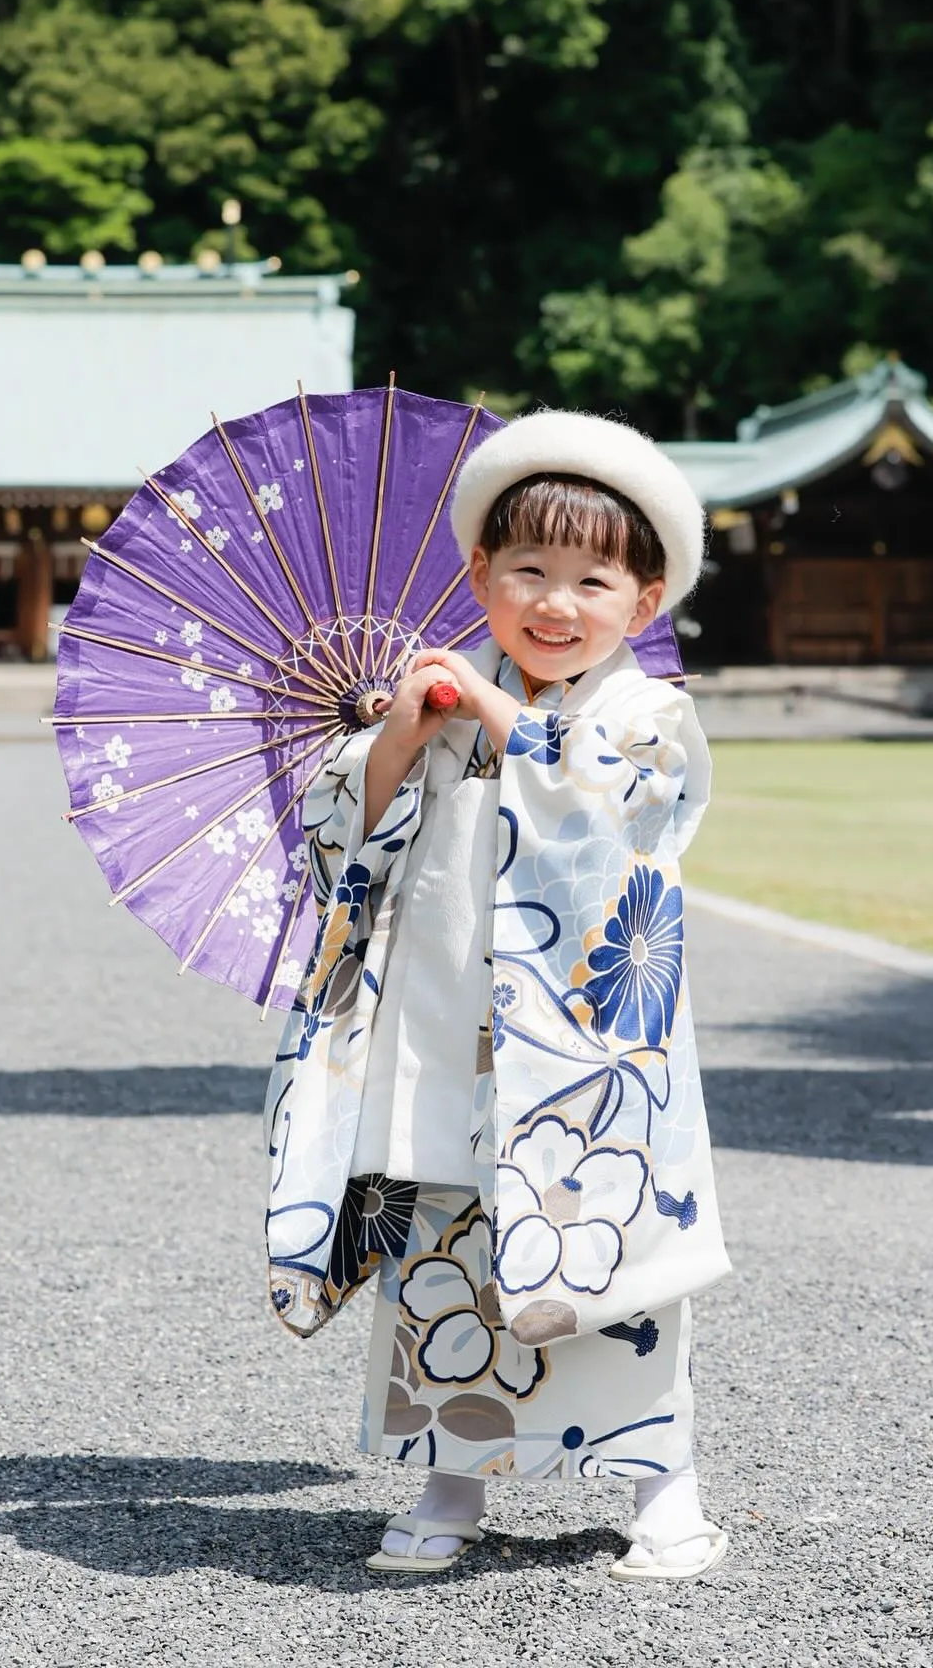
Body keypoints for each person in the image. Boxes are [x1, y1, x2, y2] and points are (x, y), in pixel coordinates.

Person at [264, 410, 731, 1579]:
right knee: (450, 1263)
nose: (556, 601)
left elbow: (612, 811)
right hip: (441, 1042)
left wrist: (487, 712)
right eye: (528, 569)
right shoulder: (449, 706)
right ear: (479, 573)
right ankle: (452, 1480)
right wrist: (397, 737)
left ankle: (662, 1491)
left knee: (613, 1277)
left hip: (584, 1073)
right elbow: (338, 840)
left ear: (647, 598)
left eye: (593, 578)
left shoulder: (645, 714)